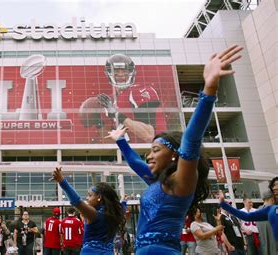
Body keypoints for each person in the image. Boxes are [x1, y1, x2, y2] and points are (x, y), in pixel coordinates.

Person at [105, 45, 243, 254]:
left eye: (156, 150)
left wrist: (209, 89)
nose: (149, 155)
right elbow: (134, 162)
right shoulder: (158, 181)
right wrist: (121, 141)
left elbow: (192, 137)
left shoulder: (182, 182)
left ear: (175, 155)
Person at [80, 54, 166, 143]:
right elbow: (111, 142)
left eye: (124, 70)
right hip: (128, 152)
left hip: (151, 149)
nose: (121, 74)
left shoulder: (139, 92)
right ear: (108, 74)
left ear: (132, 72)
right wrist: (99, 123)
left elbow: (149, 135)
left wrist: (117, 115)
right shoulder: (109, 100)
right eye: (116, 71)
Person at [52, 167, 126, 254]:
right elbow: (122, 208)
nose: (87, 198)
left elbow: (77, 201)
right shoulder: (114, 215)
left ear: (99, 197)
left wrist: (62, 181)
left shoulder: (94, 214)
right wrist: (124, 202)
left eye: (90, 195)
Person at [220, 176, 278, 253]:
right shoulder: (271, 209)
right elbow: (247, 216)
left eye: (277, 184)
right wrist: (224, 205)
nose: (274, 188)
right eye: (273, 185)